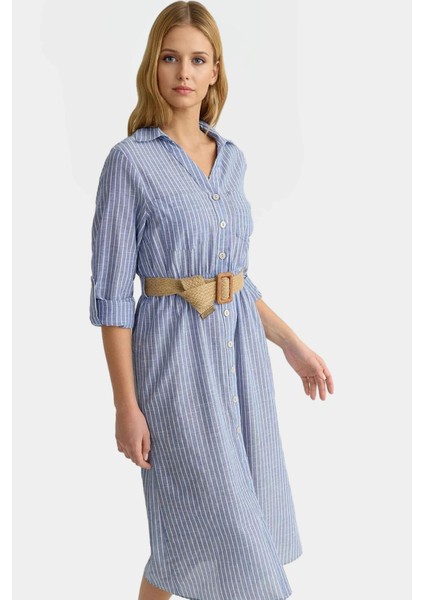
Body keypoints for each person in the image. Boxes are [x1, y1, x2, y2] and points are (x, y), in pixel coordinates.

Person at [89, 2, 335, 599]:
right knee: (234, 549)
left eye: (198, 60)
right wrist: (126, 406)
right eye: (171, 57)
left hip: (242, 364)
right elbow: (112, 296)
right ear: (152, 66)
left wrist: (292, 346)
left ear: (216, 70)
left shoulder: (233, 161)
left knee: (187, 542)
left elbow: (234, 280)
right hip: (174, 368)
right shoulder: (130, 163)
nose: (184, 72)